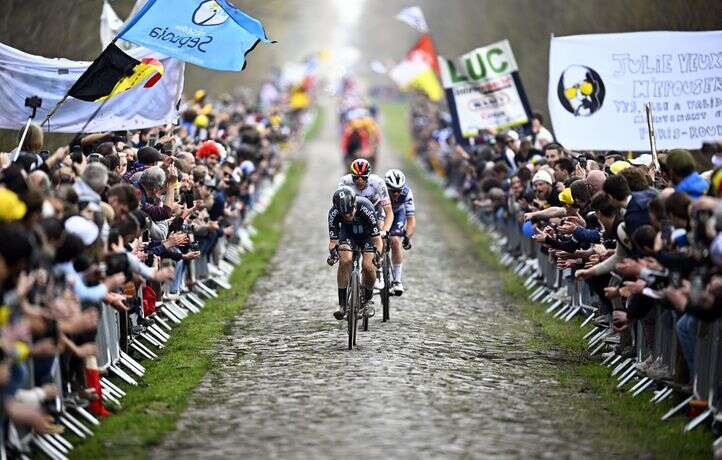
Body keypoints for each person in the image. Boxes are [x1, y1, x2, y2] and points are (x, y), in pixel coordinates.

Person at [327, 187, 382, 320]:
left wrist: (378, 255)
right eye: (344, 214)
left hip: (367, 236)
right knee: (345, 261)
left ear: (355, 205)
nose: (347, 216)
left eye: (350, 212)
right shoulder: (333, 213)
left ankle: (368, 301)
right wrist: (334, 254)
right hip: (347, 235)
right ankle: (342, 304)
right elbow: (333, 242)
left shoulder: (366, 208)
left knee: (368, 267)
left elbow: (378, 241)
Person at [338, 158, 393, 288]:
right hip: (354, 213)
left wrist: (384, 230)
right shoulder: (344, 182)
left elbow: (389, 212)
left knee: (380, 235)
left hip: (375, 211)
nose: (359, 181)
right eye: (356, 178)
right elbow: (339, 208)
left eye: (363, 177)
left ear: (368, 176)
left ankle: (377, 267)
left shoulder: (378, 183)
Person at [384, 169, 416, 295]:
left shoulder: (407, 192)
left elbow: (411, 219)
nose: (397, 194)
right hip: (382, 213)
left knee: (395, 240)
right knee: (378, 239)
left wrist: (407, 237)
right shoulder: (380, 190)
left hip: (397, 214)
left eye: (399, 190)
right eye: (393, 191)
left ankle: (397, 281)